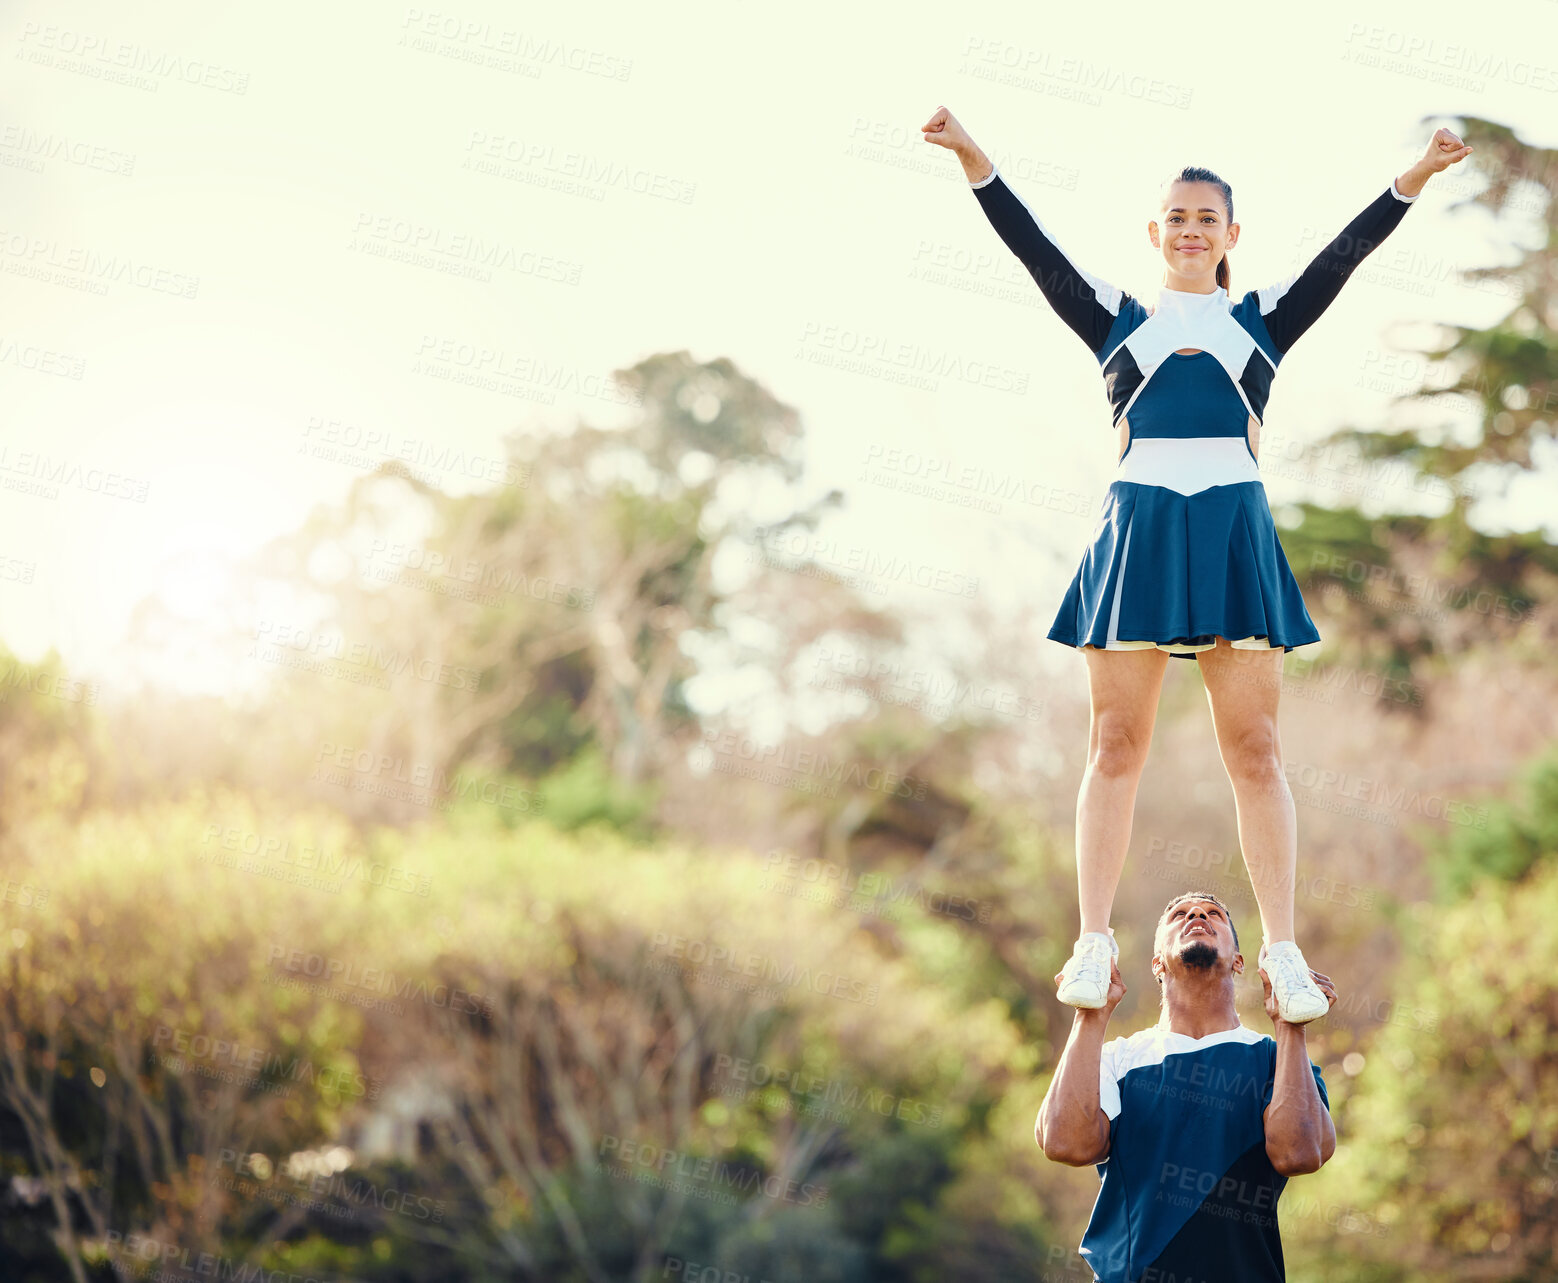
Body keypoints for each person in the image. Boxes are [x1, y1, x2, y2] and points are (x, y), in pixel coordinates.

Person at [921, 106, 1473, 1022]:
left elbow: (1346, 253)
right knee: (1115, 746)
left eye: (1205, 219)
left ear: (1230, 236)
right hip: (1135, 535)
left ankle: (1285, 954)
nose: (1189, 230)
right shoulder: (1117, 318)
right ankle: (1093, 943)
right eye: (1175, 217)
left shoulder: (1262, 321)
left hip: (1232, 534)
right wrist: (976, 159)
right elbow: (1033, 247)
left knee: (1256, 750)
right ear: (1155, 232)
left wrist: (1415, 173)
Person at [1036, 892, 1336, 1282]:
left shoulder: (1278, 1061)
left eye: (1215, 915)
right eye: (1180, 914)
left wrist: (1291, 1024)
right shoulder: (1114, 1058)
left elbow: (1300, 1154)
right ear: (1157, 963)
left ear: (1240, 962)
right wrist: (1089, 1015)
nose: (1197, 914)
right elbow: (1065, 1144)